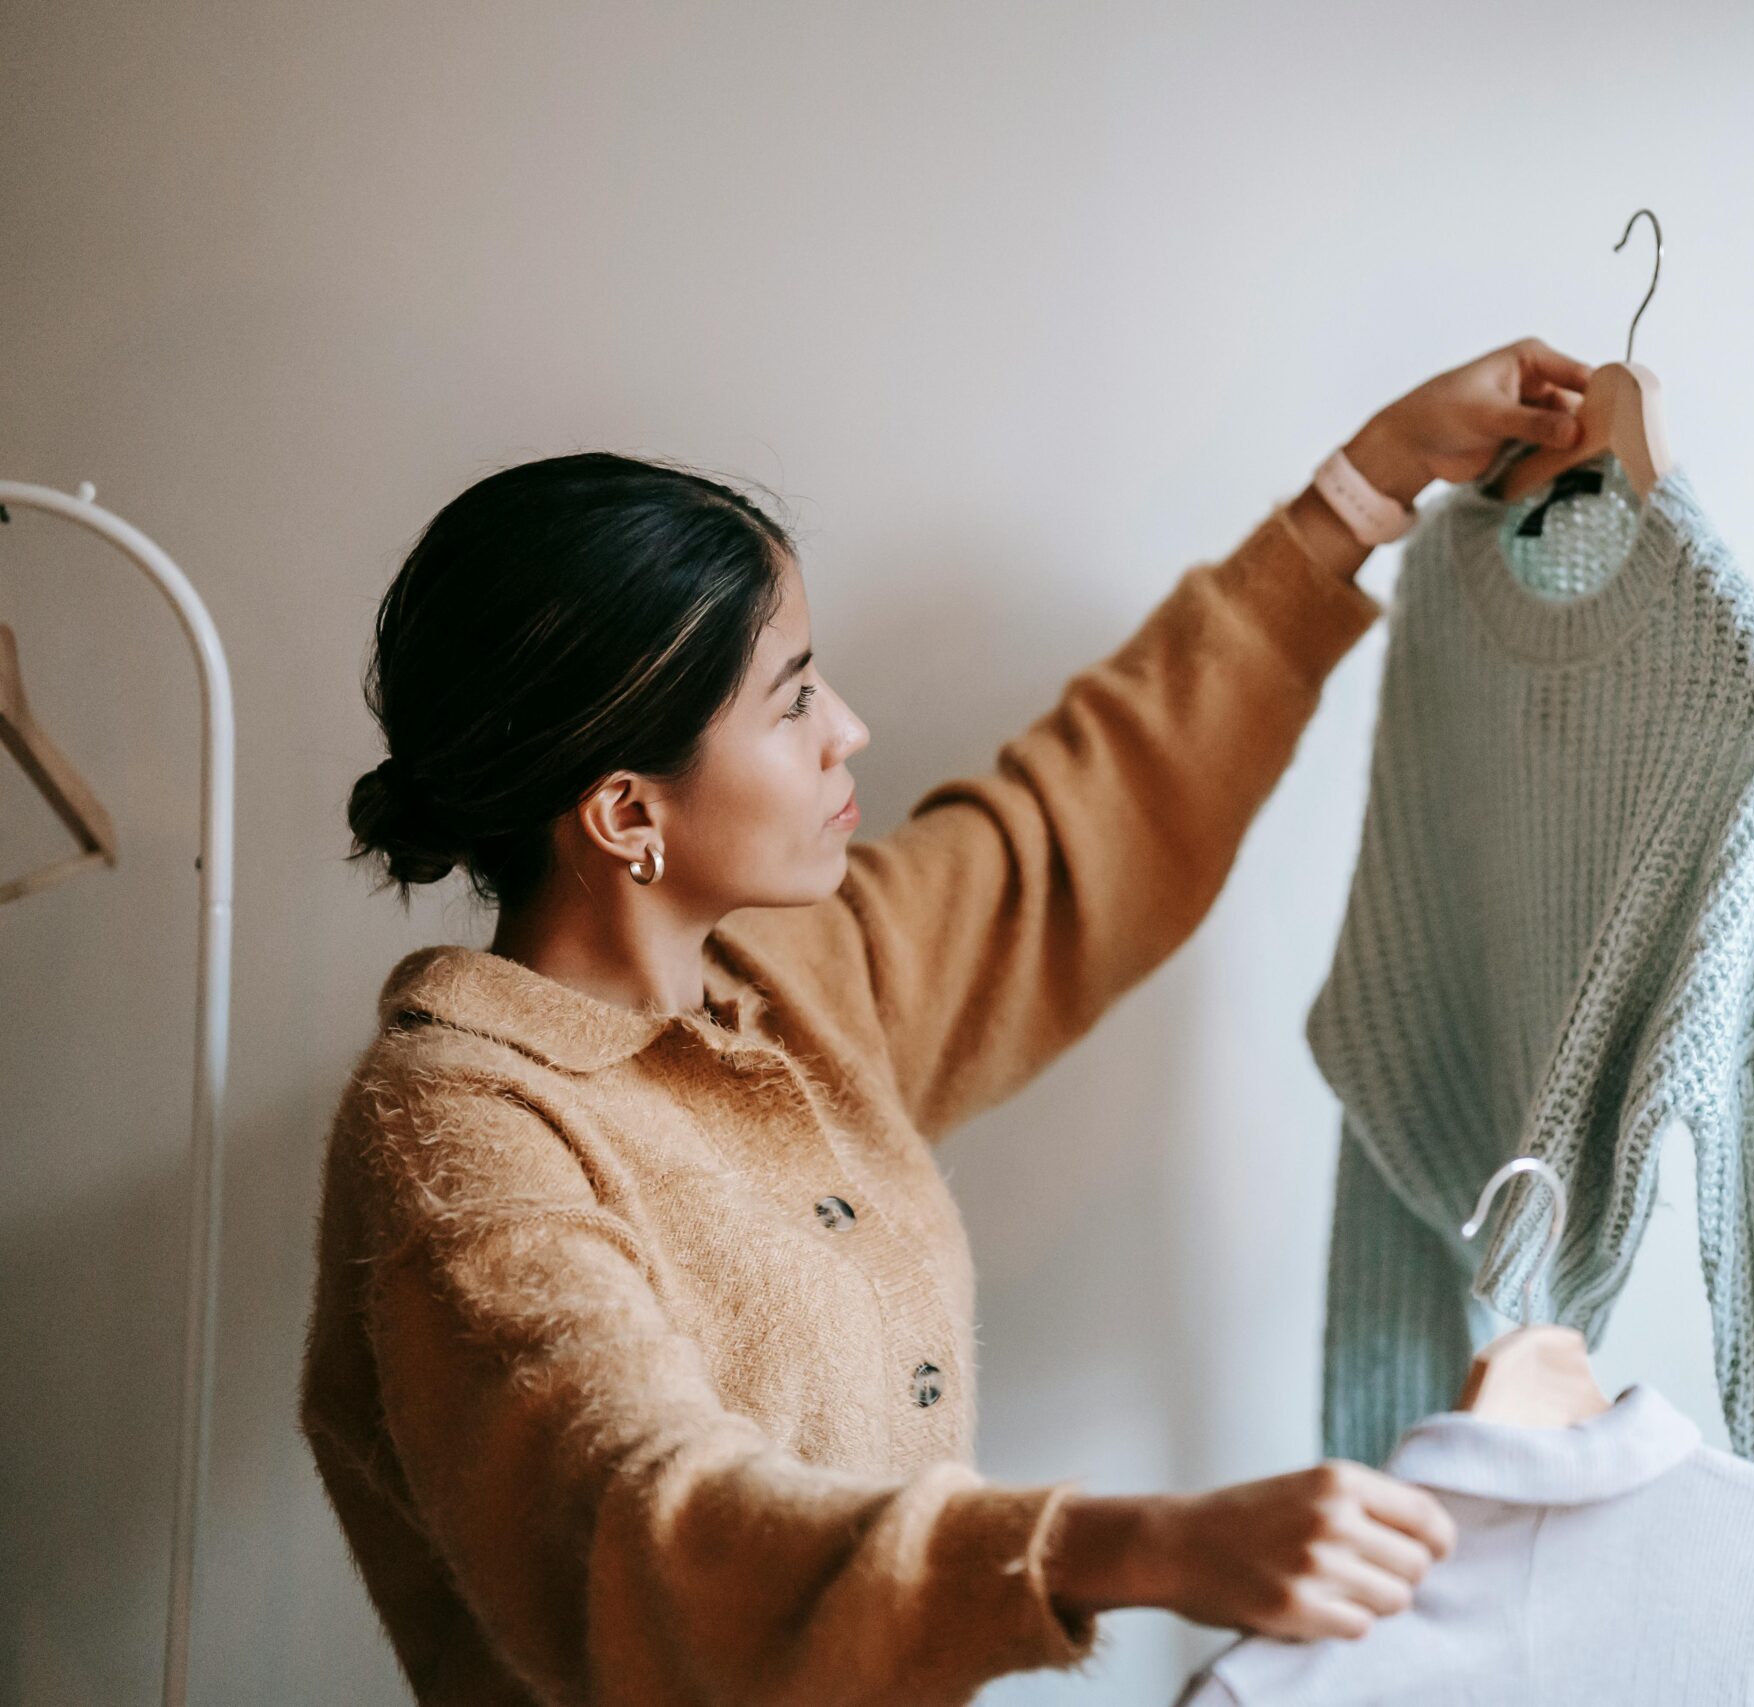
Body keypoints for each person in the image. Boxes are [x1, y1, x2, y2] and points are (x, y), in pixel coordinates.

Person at [297, 339, 1598, 1706]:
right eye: (792, 698)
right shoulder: (459, 1133)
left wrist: (1372, 480)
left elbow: (1072, 831)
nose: (847, 730)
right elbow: (648, 1528)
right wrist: (1140, 1541)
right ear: (628, 812)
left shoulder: (791, 974)